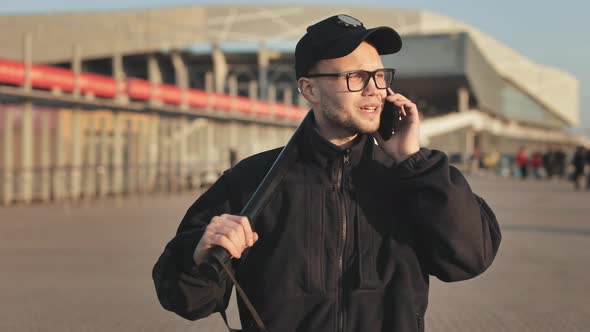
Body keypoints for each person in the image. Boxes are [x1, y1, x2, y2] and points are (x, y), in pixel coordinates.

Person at [152, 14, 502, 332]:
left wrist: (413, 160)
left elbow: (470, 258)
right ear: (309, 89)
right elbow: (185, 299)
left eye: (380, 76)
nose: (375, 89)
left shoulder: (411, 180)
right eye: (356, 77)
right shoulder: (251, 181)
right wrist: (200, 254)